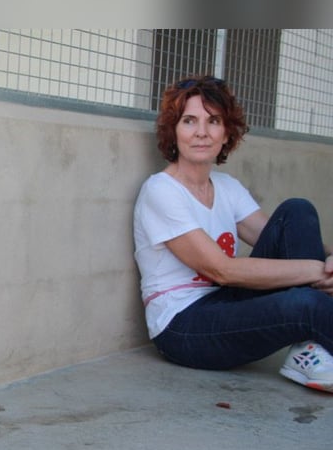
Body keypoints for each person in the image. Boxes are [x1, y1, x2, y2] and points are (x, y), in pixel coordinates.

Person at [133, 75, 333, 392]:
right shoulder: (161, 191)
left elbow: (284, 238)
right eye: (189, 121)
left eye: (213, 121)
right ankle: (316, 345)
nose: (201, 132)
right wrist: (316, 271)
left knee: (297, 210)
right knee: (305, 302)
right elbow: (221, 270)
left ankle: (310, 351)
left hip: (226, 303)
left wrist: (329, 260)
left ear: (227, 133)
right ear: (174, 130)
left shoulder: (227, 187)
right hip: (183, 327)